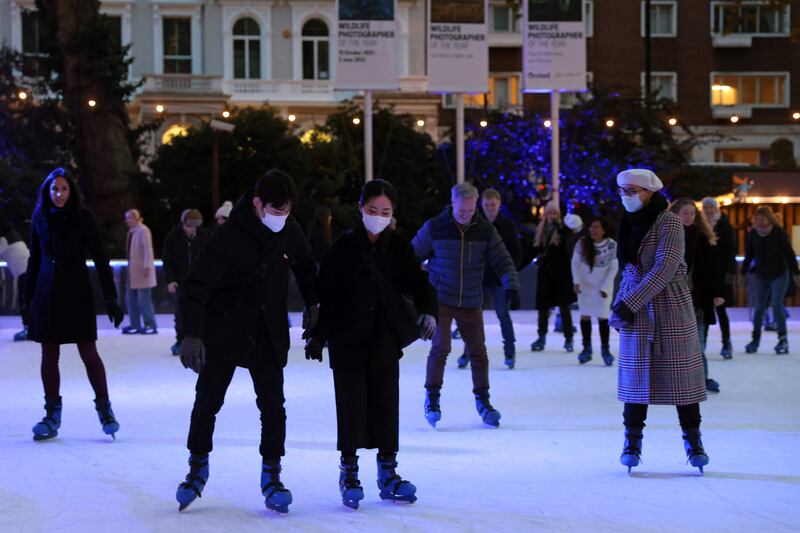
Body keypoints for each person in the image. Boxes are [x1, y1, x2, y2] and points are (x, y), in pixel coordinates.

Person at [174, 169, 318, 514]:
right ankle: (197, 466)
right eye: (276, 211)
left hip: (267, 332)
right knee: (208, 402)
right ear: (258, 204)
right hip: (223, 331)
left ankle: (272, 474)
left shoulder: (289, 230)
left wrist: (314, 302)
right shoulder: (228, 237)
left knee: (273, 407)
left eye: (287, 212)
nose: (282, 218)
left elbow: (306, 265)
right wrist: (192, 334)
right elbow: (195, 286)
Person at [305, 179, 437, 509]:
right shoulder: (342, 249)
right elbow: (327, 296)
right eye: (373, 210)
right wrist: (318, 336)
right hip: (347, 340)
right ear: (362, 208)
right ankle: (349, 471)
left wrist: (429, 313)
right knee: (351, 405)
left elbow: (420, 284)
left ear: (393, 213)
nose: (379, 216)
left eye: (386, 211)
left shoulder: (400, 248)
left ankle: (388, 471)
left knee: (385, 404)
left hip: (383, 339)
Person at [611, 169, 709, 475]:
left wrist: (629, 303)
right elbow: (629, 267)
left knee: (682, 377)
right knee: (635, 378)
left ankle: (693, 441)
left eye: (632, 190)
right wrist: (621, 302)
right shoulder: (627, 221)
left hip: (670, 305)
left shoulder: (670, 221)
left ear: (650, 191)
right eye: (623, 191)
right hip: (635, 305)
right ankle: (632, 440)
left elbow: (665, 267)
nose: (626, 196)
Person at [22, 168, 125, 441]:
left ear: (71, 191)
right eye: (55, 189)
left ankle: (105, 409)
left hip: (76, 290)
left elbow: (101, 258)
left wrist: (111, 297)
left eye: (64, 189)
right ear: (48, 191)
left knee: (88, 353)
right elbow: (34, 259)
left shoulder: (82, 217)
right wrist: (27, 296)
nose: (59, 194)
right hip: (47, 291)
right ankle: (52, 414)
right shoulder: (40, 218)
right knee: (49, 355)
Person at [412, 183, 520, 428]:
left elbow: (503, 260)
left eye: (470, 210)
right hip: (440, 298)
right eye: (462, 210)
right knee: (441, 347)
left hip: (471, 299)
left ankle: (483, 400)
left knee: (478, 352)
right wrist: (416, 292)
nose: (466, 215)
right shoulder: (435, 227)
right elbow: (410, 257)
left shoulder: (485, 230)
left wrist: (511, 285)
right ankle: (432, 398)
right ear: (453, 204)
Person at [456, 189, 521, 369]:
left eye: (493, 205)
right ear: (481, 205)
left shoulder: (507, 226)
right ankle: (466, 353)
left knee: (503, 315)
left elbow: (515, 252)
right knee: (473, 318)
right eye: (486, 205)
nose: (490, 208)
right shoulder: (475, 224)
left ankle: (510, 352)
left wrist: (510, 275)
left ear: (499, 204)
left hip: (499, 280)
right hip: (479, 280)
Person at [669, 199, 724, 393]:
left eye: (692, 213)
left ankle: (703, 378)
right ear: (675, 214)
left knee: (698, 341)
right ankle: (675, 379)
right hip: (673, 299)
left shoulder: (701, 238)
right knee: (674, 342)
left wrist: (717, 292)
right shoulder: (667, 237)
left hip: (697, 298)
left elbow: (712, 268)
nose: (689, 217)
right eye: (685, 213)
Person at [741, 206, 800, 354]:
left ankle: (783, 339)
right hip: (762, 275)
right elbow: (749, 255)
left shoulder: (778, 232)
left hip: (780, 274)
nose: (760, 220)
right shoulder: (754, 234)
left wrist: (796, 273)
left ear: (769, 218)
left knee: (776, 306)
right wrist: (743, 273)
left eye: (763, 218)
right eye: (757, 218)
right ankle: (755, 339)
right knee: (759, 308)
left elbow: (789, 253)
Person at [162, 209, 211, 356]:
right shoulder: (173, 237)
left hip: (200, 282)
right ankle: (181, 340)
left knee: (202, 312)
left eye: (195, 226)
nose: (193, 229)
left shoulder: (204, 236)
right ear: (183, 224)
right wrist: (170, 280)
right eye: (189, 226)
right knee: (180, 313)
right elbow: (167, 260)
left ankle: (202, 340)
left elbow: (211, 258)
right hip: (181, 282)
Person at [571, 216, 618, 366]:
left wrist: (605, 286)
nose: (593, 230)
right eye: (591, 226)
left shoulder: (611, 245)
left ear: (604, 230)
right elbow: (575, 263)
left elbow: (613, 268)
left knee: (603, 317)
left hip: (602, 286)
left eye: (596, 227)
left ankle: (605, 350)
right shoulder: (582, 243)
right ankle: (586, 349)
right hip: (585, 285)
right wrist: (577, 282)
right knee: (585, 316)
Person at [530, 201, 577, 352]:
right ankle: (541, 337)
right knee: (543, 308)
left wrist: (561, 231)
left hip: (561, 275)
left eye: (554, 213)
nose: (551, 216)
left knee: (564, 308)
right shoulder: (541, 230)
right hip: (545, 274)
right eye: (549, 213)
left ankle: (569, 338)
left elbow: (568, 249)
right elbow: (534, 249)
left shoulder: (564, 231)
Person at [701, 197, 736, 358]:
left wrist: (730, 272)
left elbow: (730, 251)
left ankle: (726, 342)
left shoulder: (724, 226)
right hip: (704, 274)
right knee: (705, 310)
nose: (708, 210)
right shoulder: (700, 225)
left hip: (721, 274)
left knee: (721, 310)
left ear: (716, 209)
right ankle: (702, 344)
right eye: (705, 207)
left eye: (711, 207)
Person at [122, 209, 157, 334]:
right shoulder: (132, 232)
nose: (127, 221)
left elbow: (148, 250)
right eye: (126, 218)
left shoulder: (143, 230)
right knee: (130, 299)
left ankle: (150, 324)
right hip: (133, 272)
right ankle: (135, 324)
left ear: (136, 218)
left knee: (144, 301)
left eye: (129, 218)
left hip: (143, 271)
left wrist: (147, 267)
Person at [0, 221, 31, 341]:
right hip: (29, 270)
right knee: (28, 300)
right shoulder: (14, 236)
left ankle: (29, 329)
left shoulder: (3, 239)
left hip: (25, 272)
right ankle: (31, 328)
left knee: (25, 301)